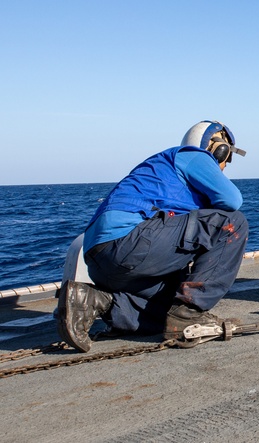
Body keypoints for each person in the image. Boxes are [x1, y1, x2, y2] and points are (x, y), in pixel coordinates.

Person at [55, 121, 249, 352]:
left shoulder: (163, 168)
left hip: (100, 261)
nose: (225, 165)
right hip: (130, 244)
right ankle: (190, 313)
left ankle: (96, 302)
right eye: (227, 157)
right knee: (232, 222)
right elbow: (232, 200)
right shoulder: (193, 156)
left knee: (170, 308)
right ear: (220, 149)